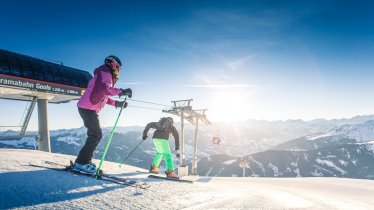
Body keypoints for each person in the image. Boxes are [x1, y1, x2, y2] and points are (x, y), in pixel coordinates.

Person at [73, 55, 132, 174]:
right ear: (115, 64)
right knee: (96, 135)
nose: (119, 70)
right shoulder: (105, 72)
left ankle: (84, 161)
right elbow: (104, 90)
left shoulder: (105, 73)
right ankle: (81, 163)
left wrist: (117, 103)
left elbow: (104, 95)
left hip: (88, 108)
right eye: (119, 67)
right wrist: (121, 91)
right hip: (88, 107)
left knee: (94, 134)